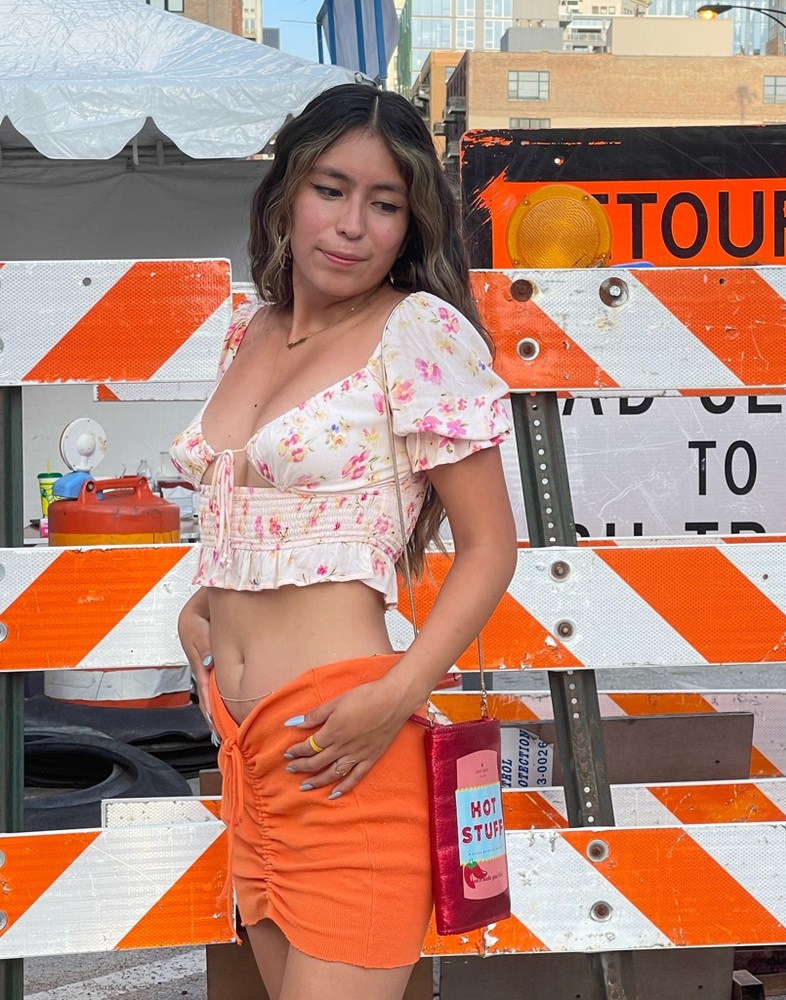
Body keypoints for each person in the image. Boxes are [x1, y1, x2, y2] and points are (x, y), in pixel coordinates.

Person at [171, 82, 516, 1000]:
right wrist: (202, 612)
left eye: (384, 203)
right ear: (287, 191)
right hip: (245, 749)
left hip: (343, 744)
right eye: (331, 189)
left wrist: (398, 695)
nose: (352, 225)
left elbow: (490, 546)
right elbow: (268, 510)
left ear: (412, 225)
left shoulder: (417, 330)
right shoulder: (250, 330)